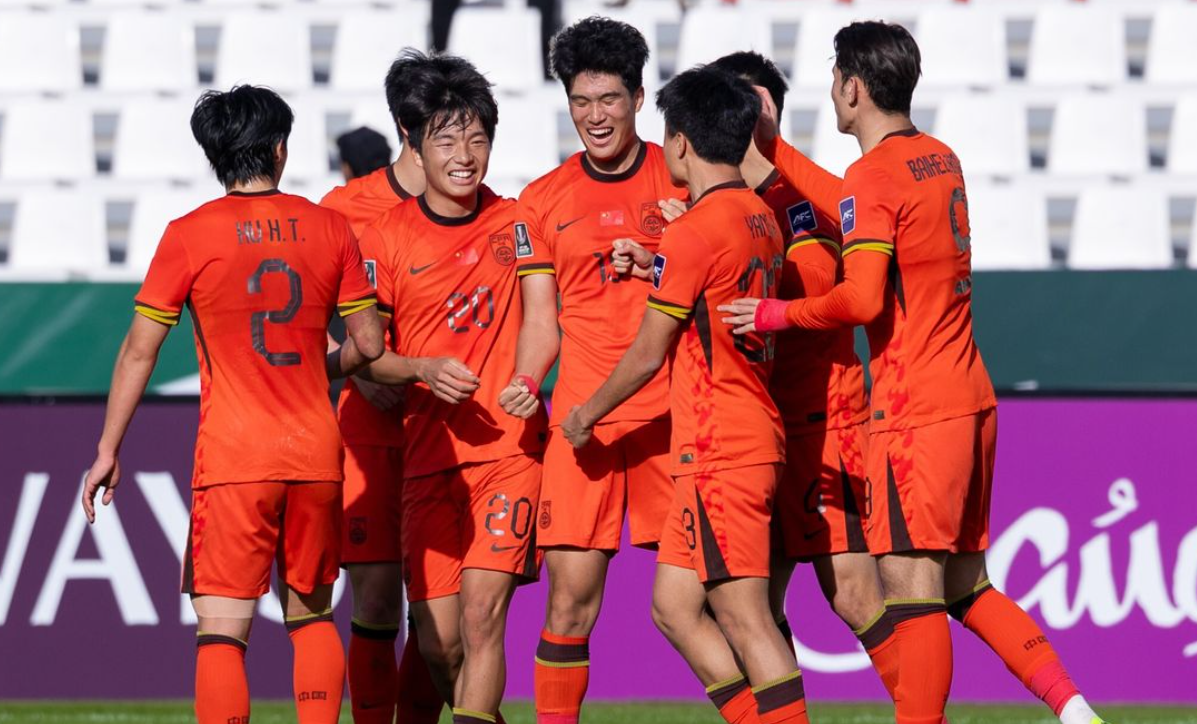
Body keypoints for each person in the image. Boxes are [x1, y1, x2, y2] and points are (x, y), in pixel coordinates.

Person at [719, 22, 1108, 724]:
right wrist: (773, 151)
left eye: (834, 80)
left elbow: (862, 299)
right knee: (966, 586)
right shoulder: (936, 157)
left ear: (852, 87)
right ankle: (1074, 708)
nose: (831, 93)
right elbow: (854, 201)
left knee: (910, 592)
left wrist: (776, 314)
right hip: (969, 396)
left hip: (914, 410)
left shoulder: (873, 176)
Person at [81, 85, 384, 724]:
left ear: (216, 155)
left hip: (234, 458)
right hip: (316, 453)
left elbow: (139, 352)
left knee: (222, 632)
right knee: (312, 618)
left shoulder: (189, 235)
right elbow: (369, 345)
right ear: (279, 149)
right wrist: (317, 367)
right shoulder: (331, 227)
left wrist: (108, 449)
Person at [561, 65, 808, 724]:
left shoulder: (693, 230)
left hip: (723, 445)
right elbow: (713, 295)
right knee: (673, 608)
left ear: (678, 142)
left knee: (745, 616)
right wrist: (656, 264)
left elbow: (648, 353)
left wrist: (585, 413)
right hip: (732, 436)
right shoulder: (757, 216)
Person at [498, 17, 685, 724]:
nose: (595, 116)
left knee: (708, 600)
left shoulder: (684, 176)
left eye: (609, 99)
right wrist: (526, 379)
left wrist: (662, 254)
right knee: (569, 604)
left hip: (671, 414)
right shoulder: (540, 200)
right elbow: (541, 319)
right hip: (582, 423)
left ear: (638, 99)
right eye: (581, 101)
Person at [354, 51, 545, 724]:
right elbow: (367, 357)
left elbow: (543, 317)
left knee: (482, 615)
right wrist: (420, 369)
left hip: (508, 452)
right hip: (428, 458)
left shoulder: (517, 221)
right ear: (413, 146)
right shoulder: (383, 238)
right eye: (446, 140)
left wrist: (527, 376)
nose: (465, 156)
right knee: (439, 645)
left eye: (477, 139)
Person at [709, 50, 899, 701]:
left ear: (771, 113)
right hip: (749, 432)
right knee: (749, 606)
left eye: (752, 103)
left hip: (824, 421)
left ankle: (920, 708)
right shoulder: (703, 202)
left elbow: (821, 285)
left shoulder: (804, 200)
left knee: (853, 596)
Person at [320, 50, 443, 724]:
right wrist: (360, 370)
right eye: (437, 122)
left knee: (437, 607)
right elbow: (312, 318)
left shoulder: (478, 204)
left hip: (442, 425)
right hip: (369, 425)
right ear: (404, 125)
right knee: (374, 596)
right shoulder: (343, 208)